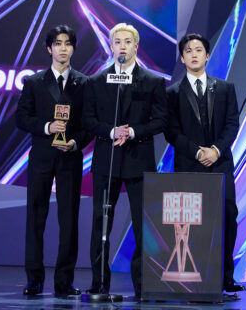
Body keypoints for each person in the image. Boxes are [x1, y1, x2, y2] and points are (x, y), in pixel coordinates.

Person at [83, 23, 168, 298]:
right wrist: (111, 131)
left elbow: (160, 120)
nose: (122, 46)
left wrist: (132, 131)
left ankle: (142, 284)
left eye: (127, 42)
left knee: (143, 224)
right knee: (101, 222)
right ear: (111, 46)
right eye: (117, 41)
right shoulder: (97, 81)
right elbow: (88, 120)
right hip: (106, 161)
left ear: (136, 46)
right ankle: (99, 282)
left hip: (138, 159)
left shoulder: (153, 81)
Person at [164, 33, 245, 294]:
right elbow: (171, 132)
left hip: (220, 164)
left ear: (207, 55)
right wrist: (198, 152)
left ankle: (226, 278)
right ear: (182, 58)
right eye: (188, 51)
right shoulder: (172, 93)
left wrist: (216, 150)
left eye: (199, 50)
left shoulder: (225, 88)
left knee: (227, 217)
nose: (194, 54)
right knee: (191, 223)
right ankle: (194, 277)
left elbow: (232, 124)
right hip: (189, 164)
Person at [16, 24, 92, 297]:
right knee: (35, 218)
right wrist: (47, 127)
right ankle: (34, 279)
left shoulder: (84, 83)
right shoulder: (34, 82)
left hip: (70, 157)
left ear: (73, 48)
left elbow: (89, 123)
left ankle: (64, 281)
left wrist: (76, 142)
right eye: (58, 43)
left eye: (67, 43)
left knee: (69, 219)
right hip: (42, 157)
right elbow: (22, 118)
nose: (63, 48)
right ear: (49, 48)